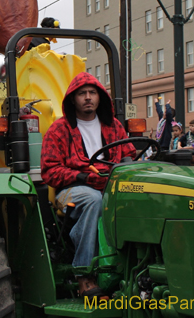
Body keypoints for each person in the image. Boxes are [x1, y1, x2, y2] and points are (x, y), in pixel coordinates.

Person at [41, 72, 132, 299]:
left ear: (100, 97)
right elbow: (49, 171)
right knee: (94, 200)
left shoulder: (115, 127)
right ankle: (84, 276)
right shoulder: (59, 129)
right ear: (73, 99)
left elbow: (130, 157)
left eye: (92, 93)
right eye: (82, 93)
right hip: (70, 190)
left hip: (111, 187)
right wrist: (81, 177)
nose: (88, 97)